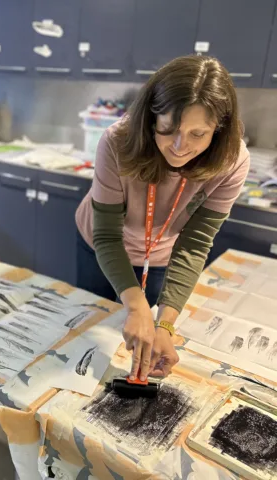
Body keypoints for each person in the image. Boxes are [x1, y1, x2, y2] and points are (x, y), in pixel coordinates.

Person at [75, 55, 249, 383]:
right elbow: (108, 237)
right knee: (92, 328)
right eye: (168, 129)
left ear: (219, 129)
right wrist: (136, 307)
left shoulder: (233, 160)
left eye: (199, 134)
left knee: (149, 335)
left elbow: (195, 243)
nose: (181, 147)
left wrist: (164, 324)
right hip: (100, 241)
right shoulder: (117, 141)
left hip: (160, 252)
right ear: (152, 118)